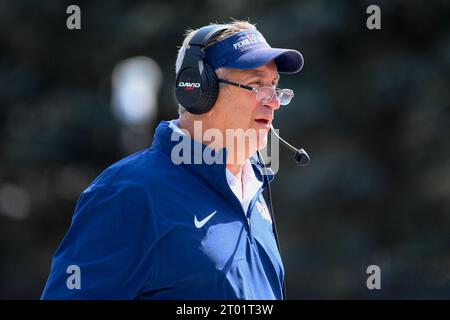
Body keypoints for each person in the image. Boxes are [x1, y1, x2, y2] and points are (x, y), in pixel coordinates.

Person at [41, 20, 304, 300]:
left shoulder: (255, 195)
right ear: (199, 90)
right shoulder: (128, 194)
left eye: (274, 87)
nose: (273, 101)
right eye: (256, 85)